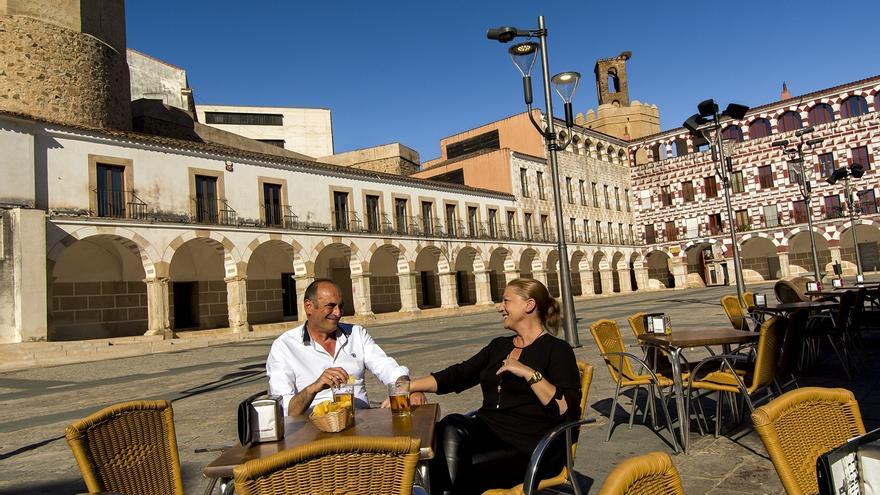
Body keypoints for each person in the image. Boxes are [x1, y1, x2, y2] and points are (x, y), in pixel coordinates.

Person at [409, 278, 581, 495]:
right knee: (449, 426)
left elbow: (568, 408)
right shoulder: (499, 346)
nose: (500, 307)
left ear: (529, 305)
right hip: (488, 433)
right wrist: (409, 386)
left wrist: (528, 373)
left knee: (448, 462)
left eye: (506, 301)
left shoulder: (557, 350)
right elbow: (458, 375)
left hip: (529, 446)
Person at [266, 278, 426, 415]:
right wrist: (313, 388)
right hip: (311, 432)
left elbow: (387, 368)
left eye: (340, 306)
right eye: (330, 306)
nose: (338, 313)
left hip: (362, 424)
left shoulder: (356, 334)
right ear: (309, 306)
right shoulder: (285, 347)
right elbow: (285, 410)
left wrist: (407, 389)